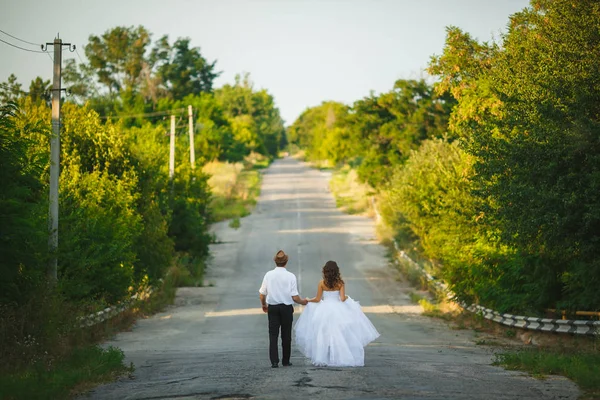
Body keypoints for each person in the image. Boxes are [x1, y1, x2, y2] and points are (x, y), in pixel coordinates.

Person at [294, 260, 380, 367]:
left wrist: (308, 300)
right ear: (336, 271)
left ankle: (323, 356)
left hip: (324, 310)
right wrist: (348, 297)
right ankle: (340, 356)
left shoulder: (322, 283)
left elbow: (317, 299)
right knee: (339, 333)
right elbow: (343, 299)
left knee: (323, 332)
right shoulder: (340, 283)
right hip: (338, 309)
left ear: (325, 271)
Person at [259, 250, 308, 368]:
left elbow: (262, 293)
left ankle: (274, 361)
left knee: (273, 334)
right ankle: (286, 360)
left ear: (275, 261)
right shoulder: (291, 276)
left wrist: (264, 305)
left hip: (273, 308)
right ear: (286, 262)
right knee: (286, 335)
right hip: (286, 308)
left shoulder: (268, 275)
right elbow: (295, 297)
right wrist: (304, 302)